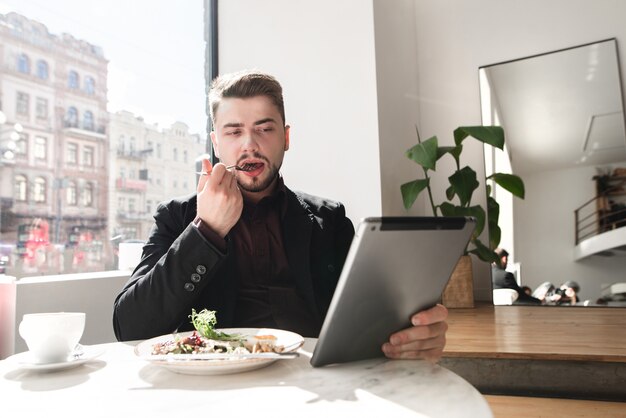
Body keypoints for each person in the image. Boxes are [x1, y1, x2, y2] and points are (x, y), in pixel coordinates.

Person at [113, 70, 448, 362]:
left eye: (264, 129)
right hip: (213, 391)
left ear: (286, 138)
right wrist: (206, 231)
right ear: (216, 143)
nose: (249, 144)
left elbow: (368, 317)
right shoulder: (177, 217)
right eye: (233, 132)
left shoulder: (330, 221)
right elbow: (130, 327)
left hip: (315, 383)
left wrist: (413, 335)